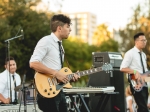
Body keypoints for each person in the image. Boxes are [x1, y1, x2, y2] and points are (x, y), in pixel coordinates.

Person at [30, 14, 80, 112]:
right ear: (59, 28)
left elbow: (60, 72)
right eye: (68, 26)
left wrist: (69, 77)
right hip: (47, 91)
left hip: (58, 90)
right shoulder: (46, 41)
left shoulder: (60, 46)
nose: (70, 30)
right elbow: (33, 63)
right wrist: (56, 73)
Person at [120, 32, 149, 112]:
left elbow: (145, 72)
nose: (145, 42)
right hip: (136, 84)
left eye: (145, 40)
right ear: (136, 42)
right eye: (142, 40)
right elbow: (122, 68)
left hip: (144, 83)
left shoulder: (143, 55)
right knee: (143, 108)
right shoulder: (130, 53)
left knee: (142, 108)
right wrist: (134, 71)